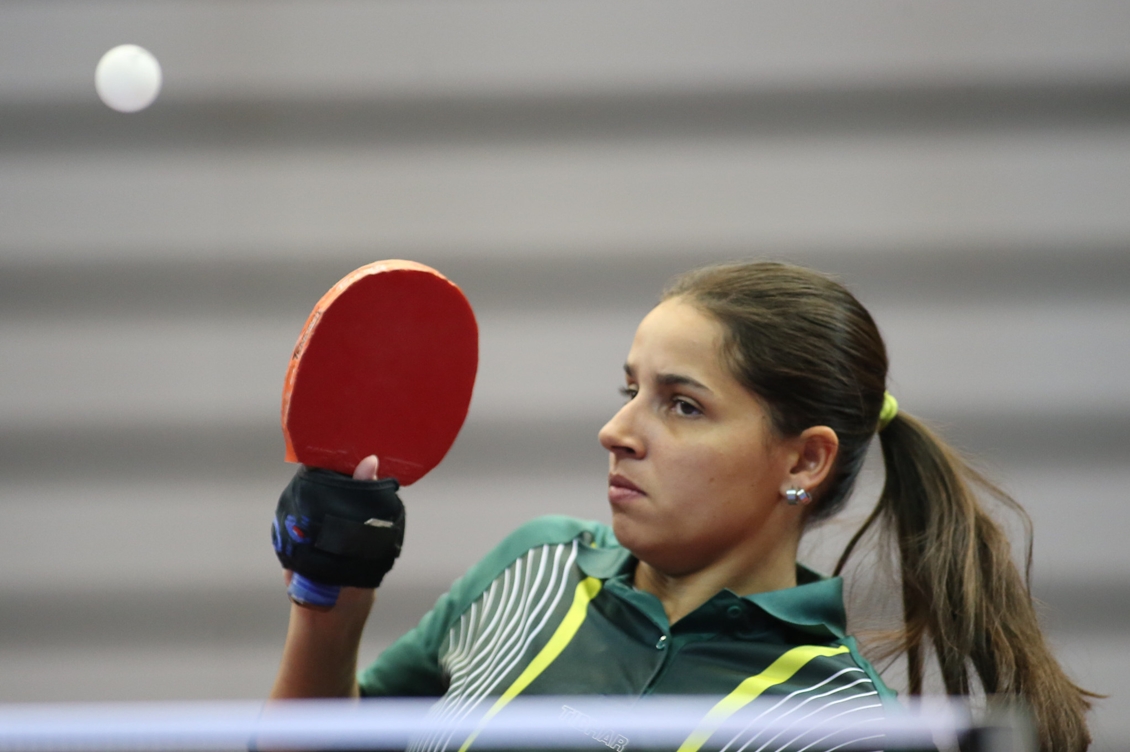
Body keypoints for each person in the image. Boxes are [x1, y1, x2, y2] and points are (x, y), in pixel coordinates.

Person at [270, 260, 1094, 752]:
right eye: (629, 390)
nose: (616, 432)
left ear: (803, 458)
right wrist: (331, 610)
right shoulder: (532, 569)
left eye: (683, 405)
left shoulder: (836, 726)